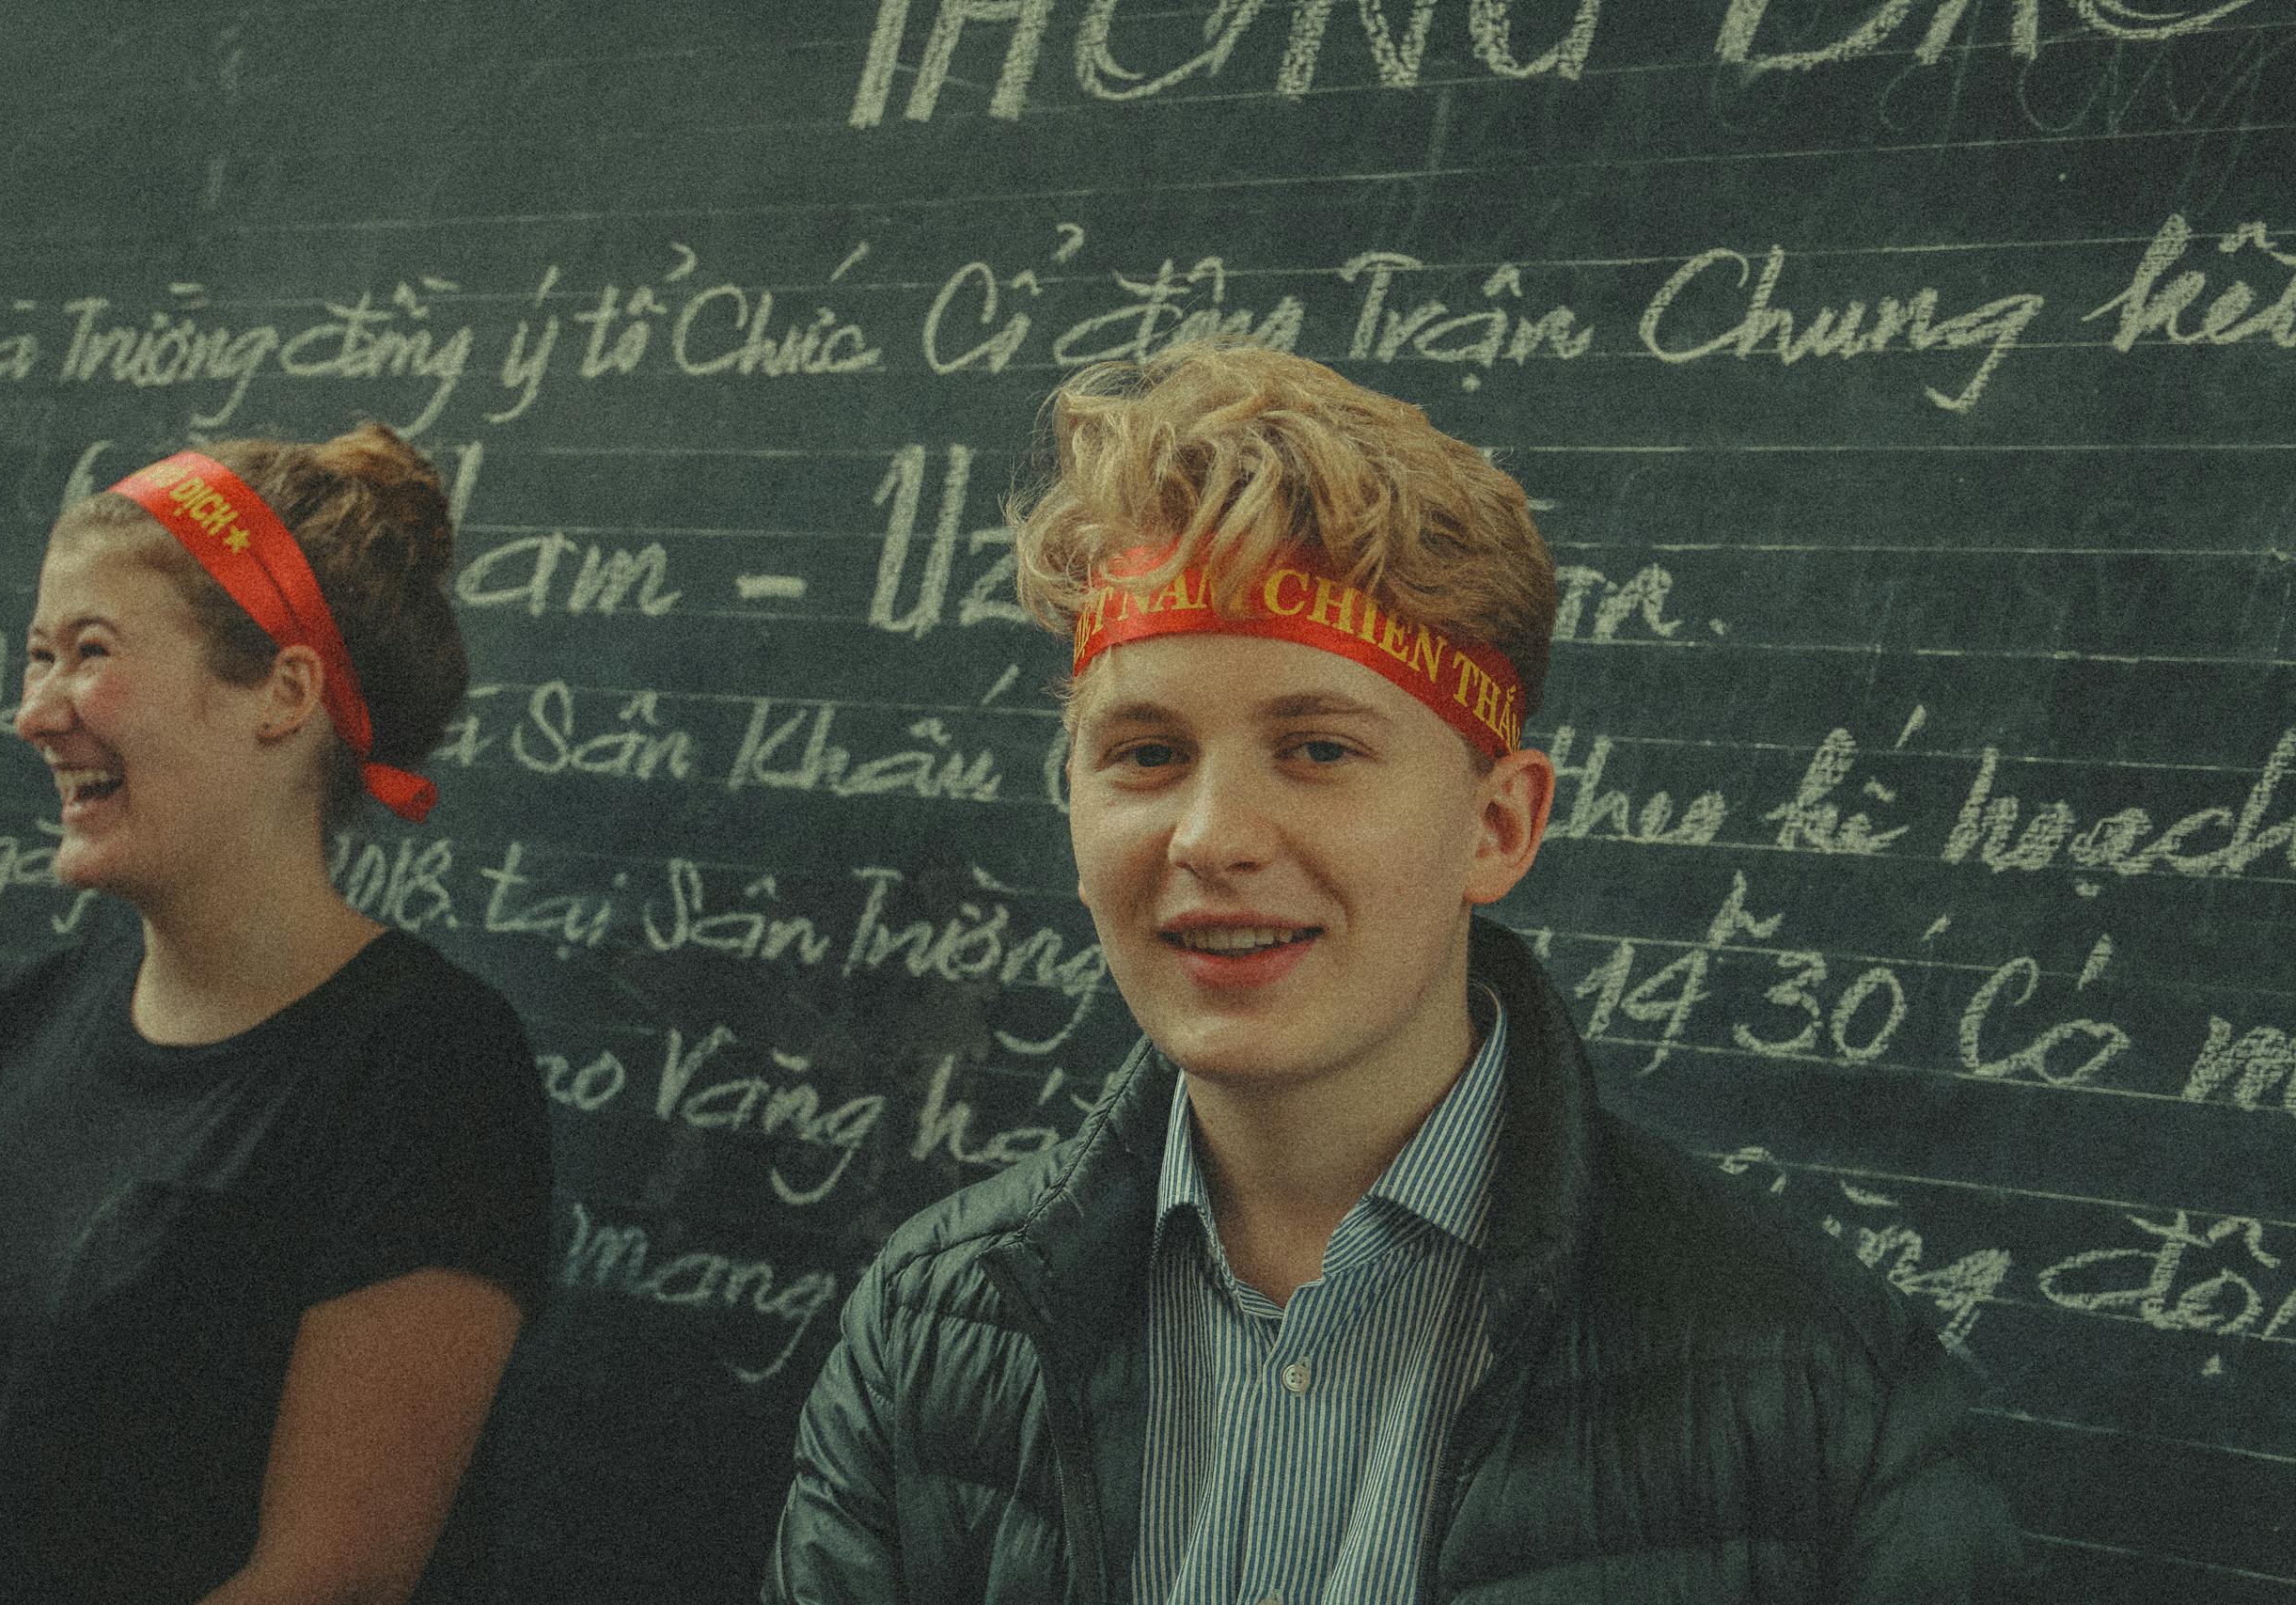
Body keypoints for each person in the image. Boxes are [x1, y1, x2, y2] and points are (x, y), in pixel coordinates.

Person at [767, 342, 2023, 1602]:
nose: (1210, 836)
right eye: (1145, 752)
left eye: (1316, 745)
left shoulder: (1823, 1394)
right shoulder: (928, 1333)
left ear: (1499, 826)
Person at [0, 428, 553, 1605]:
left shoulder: (428, 1073)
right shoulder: (17, 1019)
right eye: (37, 657)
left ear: (283, 694)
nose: (34, 713)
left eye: (89, 653)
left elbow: (324, 1582)